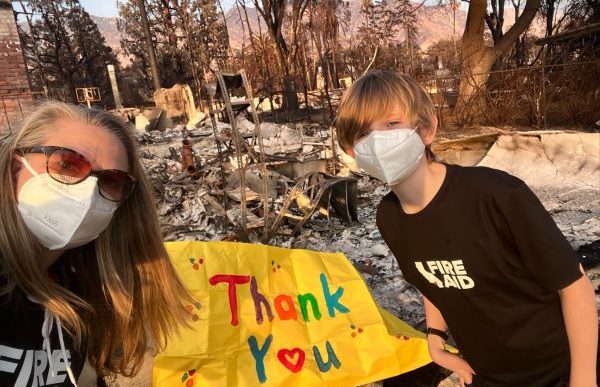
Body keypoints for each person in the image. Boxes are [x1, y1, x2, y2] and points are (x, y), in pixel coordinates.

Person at [335, 70, 598, 387]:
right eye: (363, 133)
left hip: (558, 371)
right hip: (485, 375)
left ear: (427, 128)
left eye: (392, 124)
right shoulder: (389, 218)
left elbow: (574, 286)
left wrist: (583, 380)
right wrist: (435, 338)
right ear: (352, 151)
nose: (378, 141)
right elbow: (431, 276)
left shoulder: (496, 195)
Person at [0, 101, 192, 386]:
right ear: (16, 169)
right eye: (67, 164)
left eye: (111, 180)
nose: (88, 191)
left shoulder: (79, 295)